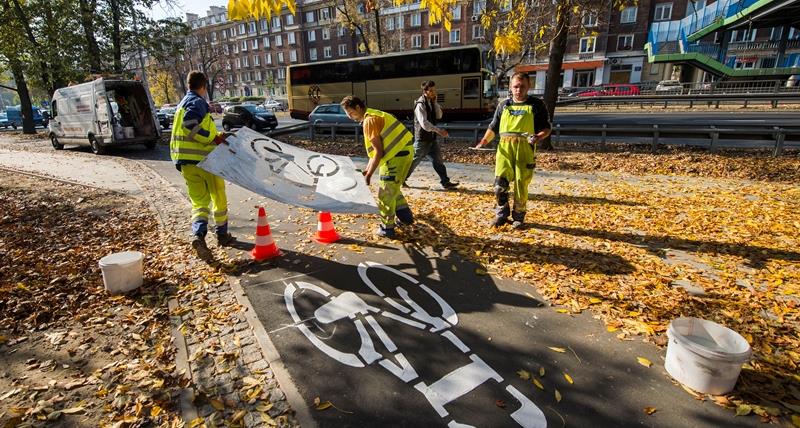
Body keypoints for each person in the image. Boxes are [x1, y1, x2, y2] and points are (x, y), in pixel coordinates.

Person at [475, 72, 552, 229]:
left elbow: (547, 128)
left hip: (525, 149)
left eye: (522, 87)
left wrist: (538, 137)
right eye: (516, 86)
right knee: (499, 184)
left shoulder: (537, 105)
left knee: (520, 184)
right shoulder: (503, 105)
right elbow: (493, 127)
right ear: (510, 87)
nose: (519, 90)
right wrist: (483, 141)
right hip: (504, 148)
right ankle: (502, 213)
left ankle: (519, 216)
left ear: (528, 86)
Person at [170, 70, 234, 254]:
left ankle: (199, 236)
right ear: (204, 86)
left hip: (185, 162)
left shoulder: (181, 104)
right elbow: (190, 125)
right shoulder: (197, 102)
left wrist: (215, 136)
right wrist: (212, 139)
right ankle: (222, 235)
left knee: (199, 202)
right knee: (218, 195)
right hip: (206, 161)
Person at [341, 95, 415, 239]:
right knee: (392, 186)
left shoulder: (369, 121)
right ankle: (405, 217)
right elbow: (375, 153)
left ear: (358, 107)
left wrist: (368, 175)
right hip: (402, 153)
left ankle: (387, 228)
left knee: (385, 194)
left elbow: (378, 152)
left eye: (351, 113)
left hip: (395, 158)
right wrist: (367, 170)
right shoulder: (375, 114)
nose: (350, 117)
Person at [405, 80, 459, 189]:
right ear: (424, 92)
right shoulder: (420, 104)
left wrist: (435, 102)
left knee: (438, 160)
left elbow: (439, 115)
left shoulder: (431, 102)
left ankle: (445, 182)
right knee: (414, 161)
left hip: (431, 139)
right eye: (431, 91)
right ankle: (401, 179)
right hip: (422, 139)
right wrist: (439, 131)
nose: (434, 92)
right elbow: (424, 124)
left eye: (434, 90)